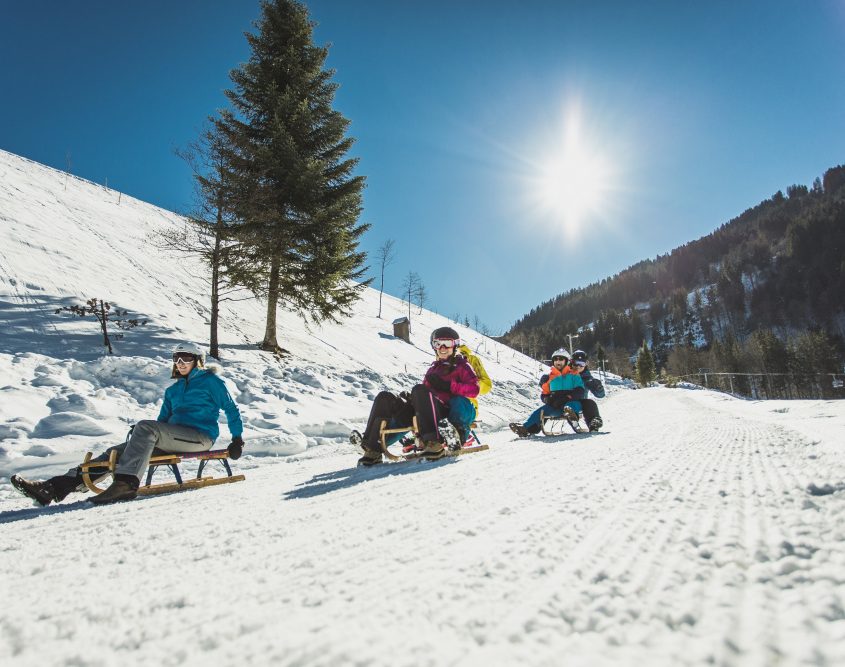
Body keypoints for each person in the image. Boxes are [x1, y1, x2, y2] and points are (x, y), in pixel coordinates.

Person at [11, 342, 244, 506]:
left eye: (187, 359)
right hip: (173, 437)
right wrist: (144, 438)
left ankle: (126, 484)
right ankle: (53, 488)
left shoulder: (211, 381)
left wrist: (237, 439)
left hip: (199, 438)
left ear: (198, 361)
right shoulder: (172, 390)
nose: (181, 363)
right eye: (177, 359)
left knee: (145, 427)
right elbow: (162, 422)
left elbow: (231, 409)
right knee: (115, 452)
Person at [350, 326, 480, 465]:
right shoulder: (432, 369)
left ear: (455, 345)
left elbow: (474, 389)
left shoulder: (462, 365)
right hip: (427, 411)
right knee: (385, 398)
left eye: (447, 344)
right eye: (438, 344)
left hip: (445, 412)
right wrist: (412, 399)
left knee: (419, 389)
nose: (442, 347)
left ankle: (433, 443)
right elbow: (425, 392)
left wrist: (450, 386)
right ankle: (372, 448)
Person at [569, 349, 605, 431]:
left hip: (580, 402)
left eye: (581, 364)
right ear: (571, 362)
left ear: (585, 364)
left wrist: (598, 387)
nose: (578, 366)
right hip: (564, 401)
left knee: (590, 403)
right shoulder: (565, 374)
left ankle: (594, 422)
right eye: (576, 363)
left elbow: (600, 395)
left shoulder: (587, 378)